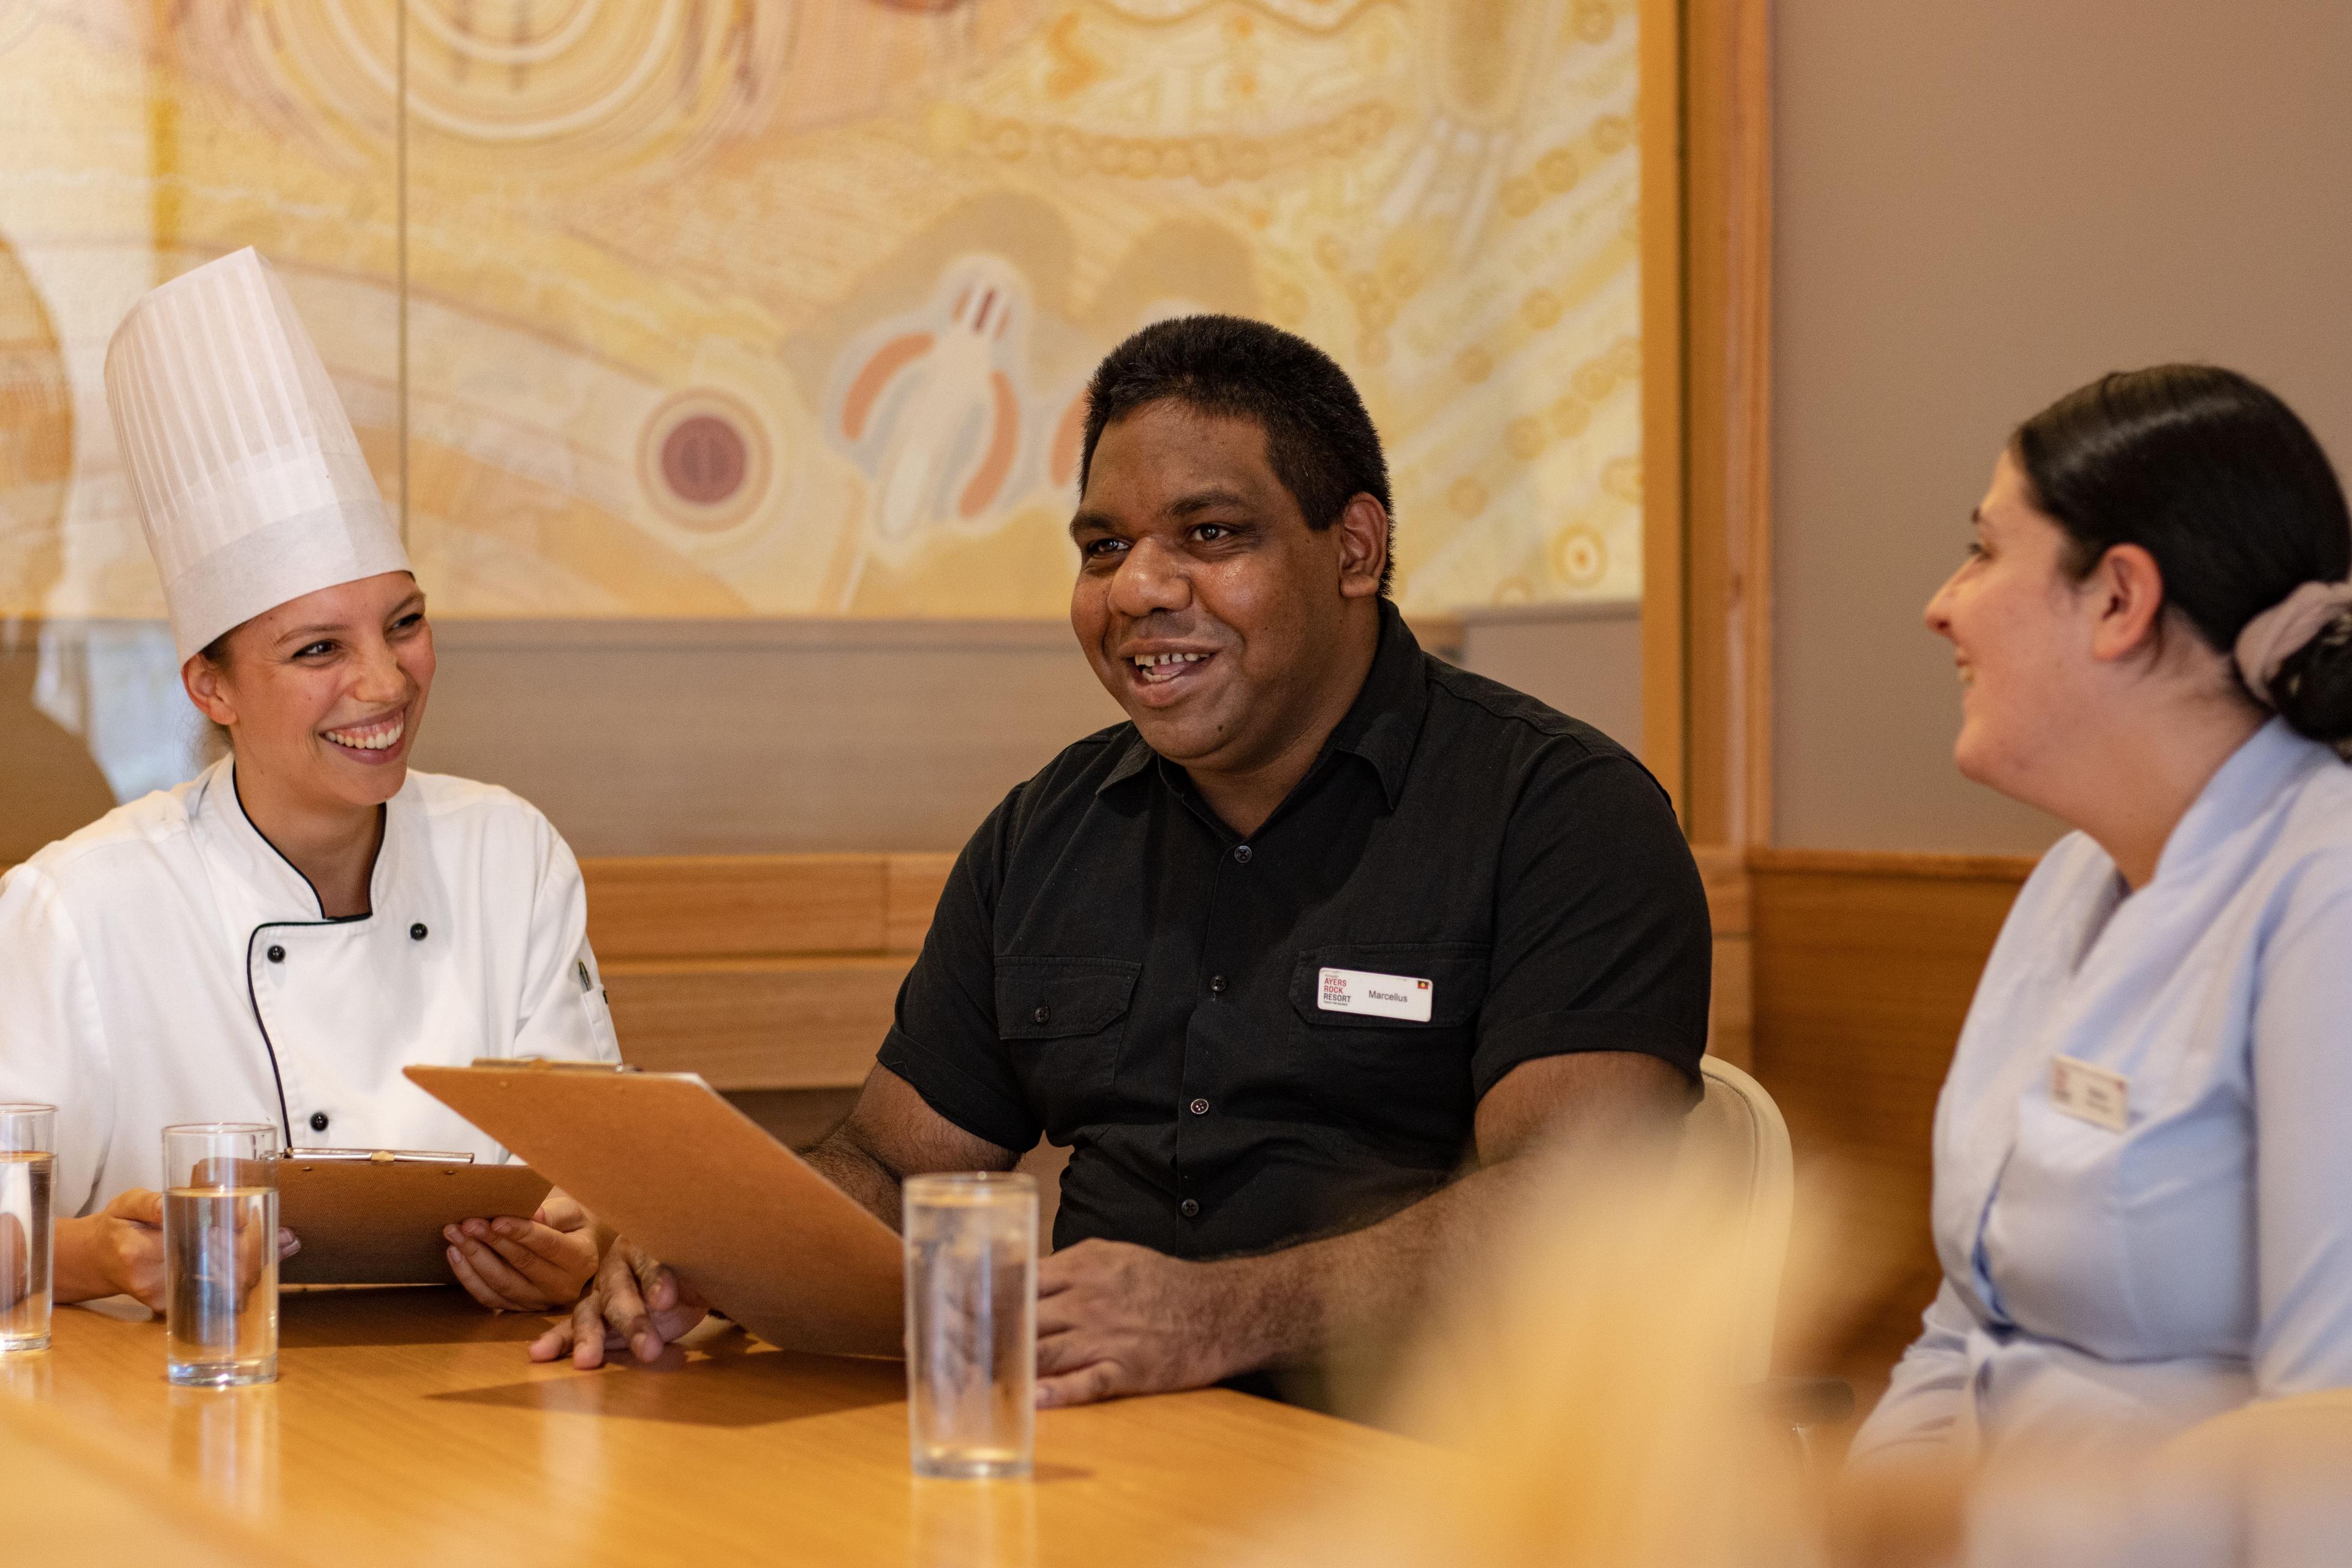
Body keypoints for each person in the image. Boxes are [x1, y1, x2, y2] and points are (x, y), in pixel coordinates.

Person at [540, 315, 1714, 1403]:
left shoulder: (1562, 816)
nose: (1140, 590)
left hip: (1430, 1482)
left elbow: (1582, 1210)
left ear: (1355, 549)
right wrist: (722, 1247)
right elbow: (896, 1169)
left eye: (1211, 535)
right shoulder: (1047, 832)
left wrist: (1218, 1317)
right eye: (1104, 548)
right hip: (1097, 1453)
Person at [0, 249, 621, 1314]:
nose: (385, 682)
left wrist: (581, 1242)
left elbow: (599, 1169)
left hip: (469, 1397)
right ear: (212, 688)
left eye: (405, 624)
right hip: (180, 1400)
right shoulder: (77, 907)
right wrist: (95, 1258)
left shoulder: (508, 855)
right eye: (318, 650)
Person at [1850, 365, 2352, 1466]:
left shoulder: (2328, 894)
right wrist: (1862, 1528)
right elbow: (1965, 1330)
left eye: (1984, 550)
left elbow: (2327, 1443)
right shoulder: (2073, 878)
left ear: (2121, 599)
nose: (1942, 604)